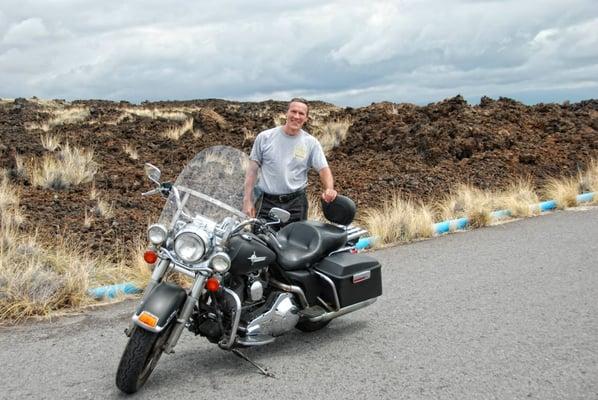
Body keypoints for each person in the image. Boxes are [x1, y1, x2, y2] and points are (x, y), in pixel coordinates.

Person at [242, 98, 337, 224]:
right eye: (293, 111)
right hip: (266, 203)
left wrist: (329, 188)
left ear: (306, 118)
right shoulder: (265, 138)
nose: (296, 116)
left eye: (301, 113)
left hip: (296, 205)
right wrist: (247, 200)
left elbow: (324, 169)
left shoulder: (311, 143)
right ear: (286, 113)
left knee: (295, 242)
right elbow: (252, 171)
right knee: (261, 241)